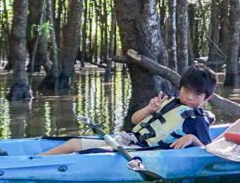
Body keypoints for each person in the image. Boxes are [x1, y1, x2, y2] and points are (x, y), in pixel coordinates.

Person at [38, 63, 217, 156]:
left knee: (86, 153)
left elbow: (207, 150)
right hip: (128, 140)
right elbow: (134, 120)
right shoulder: (168, 102)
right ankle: (33, 161)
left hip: (146, 152)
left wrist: (192, 138)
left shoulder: (197, 119)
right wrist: (149, 109)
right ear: (180, 88)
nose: (190, 97)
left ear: (207, 97)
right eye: (186, 90)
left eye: (197, 94)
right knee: (72, 144)